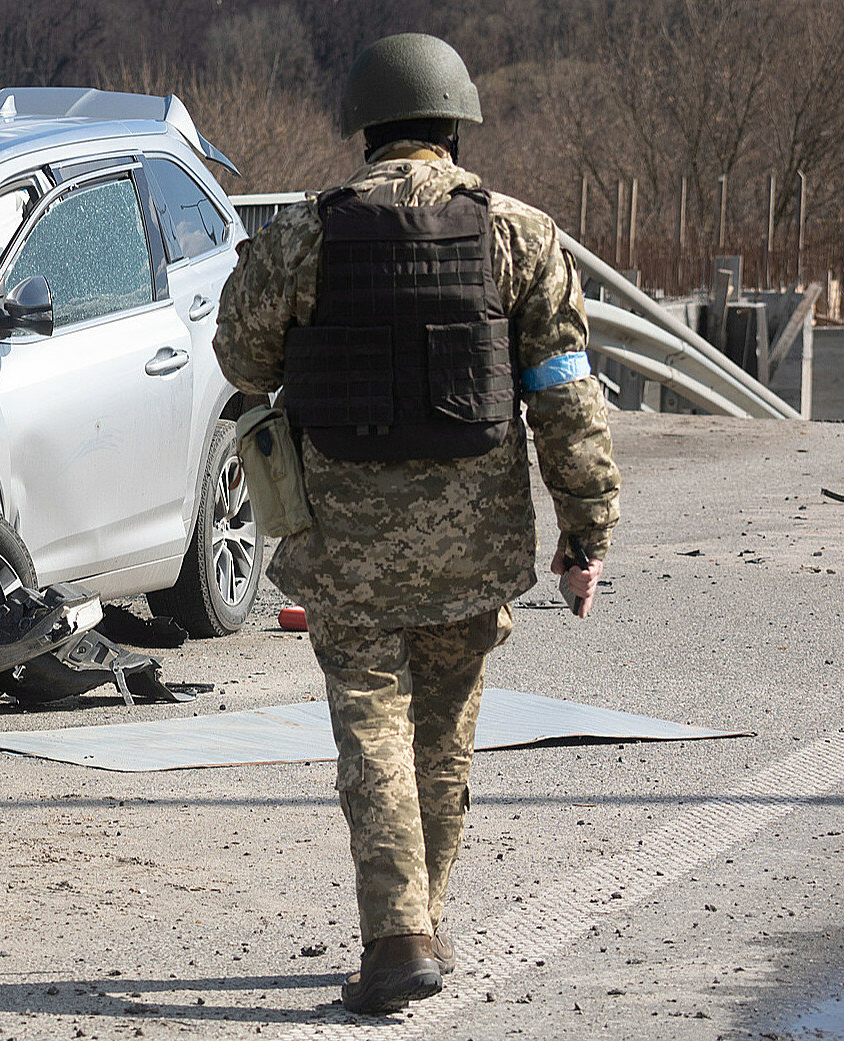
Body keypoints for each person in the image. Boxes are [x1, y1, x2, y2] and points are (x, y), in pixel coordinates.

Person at [211, 33, 622, 1014]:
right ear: (455, 122)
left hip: (345, 551)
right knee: (439, 743)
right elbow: (566, 395)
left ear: (367, 125)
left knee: (374, 740)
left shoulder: (306, 235)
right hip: (472, 551)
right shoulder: (520, 234)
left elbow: (240, 360)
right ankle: (416, 930)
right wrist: (587, 530)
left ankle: (399, 939)